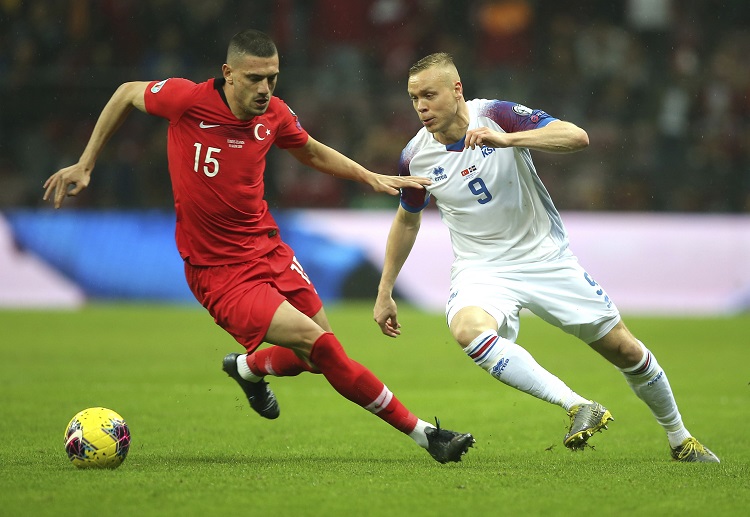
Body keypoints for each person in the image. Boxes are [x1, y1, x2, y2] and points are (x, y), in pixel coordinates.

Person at [43, 31, 474, 464]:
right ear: (228, 75)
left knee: (315, 355)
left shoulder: (275, 114)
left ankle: (247, 368)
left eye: (272, 78)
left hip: (268, 249)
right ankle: (426, 435)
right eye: (255, 79)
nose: (265, 89)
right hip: (219, 272)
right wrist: (86, 162)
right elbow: (125, 93)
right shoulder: (187, 100)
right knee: (322, 347)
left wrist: (370, 177)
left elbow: (309, 151)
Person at [373, 52, 718, 462]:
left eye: (429, 95)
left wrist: (509, 139)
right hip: (481, 269)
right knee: (467, 329)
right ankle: (576, 405)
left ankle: (681, 439)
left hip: (545, 258)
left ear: (457, 89)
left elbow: (576, 136)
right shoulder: (415, 156)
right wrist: (385, 289)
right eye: (414, 98)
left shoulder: (498, 115)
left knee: (625, 350)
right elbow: (408, 220)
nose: (421, 107)